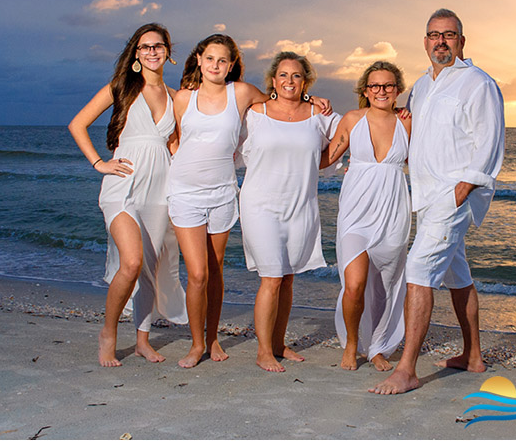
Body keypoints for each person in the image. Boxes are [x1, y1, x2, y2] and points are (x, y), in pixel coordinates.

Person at [370, 9, 505, 394]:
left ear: (462, 41)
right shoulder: (421, 86)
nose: (440, 41)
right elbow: (411, 129)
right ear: (425, 41)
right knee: (457, 275)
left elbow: (490, 139)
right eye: (433, 35)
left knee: (418, 269)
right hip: (425, 196)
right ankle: (473, 355)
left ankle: (408, 369)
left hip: (451, 195)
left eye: (449, 35)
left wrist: (465, 187)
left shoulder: (478, 83)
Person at [68, 22, 188, 367]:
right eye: (145, 46)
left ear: (168, 51)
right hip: (123, 186)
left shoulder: (173, 94)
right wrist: (98, 163)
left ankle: (142, 341)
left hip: (160, 187)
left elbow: (175, 143)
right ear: (136, 54)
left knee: (150, 265)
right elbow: (77, 124)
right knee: (132, 261)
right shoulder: (120, 87)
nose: (152, 51)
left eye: (158, 46)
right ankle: (108, 332)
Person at [167, 34, 268, 369]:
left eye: (222, 60)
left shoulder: (240, 93)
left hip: (223, 193)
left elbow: (281, 107)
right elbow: (174, 139)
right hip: (185, 193)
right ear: (199, 59)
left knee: (215, 269)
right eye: (209, 58)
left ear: (231, 64)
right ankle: (197, 344)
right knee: (197, 274)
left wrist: (314, 100)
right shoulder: (183, 98)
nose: (215, 66)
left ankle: (213, 338)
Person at [238, 51, 341, 372]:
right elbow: (223, 140)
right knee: (271, 277)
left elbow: (348, 135)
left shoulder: (319, 115)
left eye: (297, 76)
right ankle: (263, 350)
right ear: (272, 80)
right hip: (260, 205)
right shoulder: (254, 113)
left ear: (306, 82)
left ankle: (279, 343)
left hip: (300, 205)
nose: (289, 81)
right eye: (283, 75)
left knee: (287, 278)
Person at [321, 61, 411, 372]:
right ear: (365, 90)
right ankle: (351, 344)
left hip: (392, 213)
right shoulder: (352, 120)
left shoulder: (407, 124)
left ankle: (377, 347)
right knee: (355, 283)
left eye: (388, 85)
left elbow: (427, 164)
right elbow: (327, 158)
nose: (381, 91)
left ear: (397, 90)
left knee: (386, 285)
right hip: (356, 212)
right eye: (375, 85)